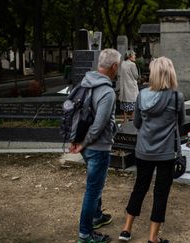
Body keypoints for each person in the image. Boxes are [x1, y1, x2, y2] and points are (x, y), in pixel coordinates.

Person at [118, 57, 185, 243]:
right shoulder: (176, 97)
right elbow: (180, 124)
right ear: (170, 73)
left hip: (143, 151)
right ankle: (153, 238)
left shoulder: (141, 95)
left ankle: (126, 229)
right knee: (160, 193)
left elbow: (137, 123)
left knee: (139, 188)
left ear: (153, 74)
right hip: (165, 153)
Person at [69, 48, 120, 243]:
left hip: (84, 143)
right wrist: (83, 143)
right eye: (118, 66)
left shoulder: (84, 84)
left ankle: (97, 217)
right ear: (114, 66)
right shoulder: (107, 92)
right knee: (93, 189)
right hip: (97, 146)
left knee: (94, 183)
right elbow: (99, 125)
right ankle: (85, 234)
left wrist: (78, 141)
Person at [119, 50, 140, 123]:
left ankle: (125, 119)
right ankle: (132, 117)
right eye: (134, 55)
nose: (135, 57)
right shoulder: (132, 64)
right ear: (130, 56)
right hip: (131, 86)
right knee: (134, 102)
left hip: (124, 85)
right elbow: (136, 76)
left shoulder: (123, 63)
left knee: (125, 102)